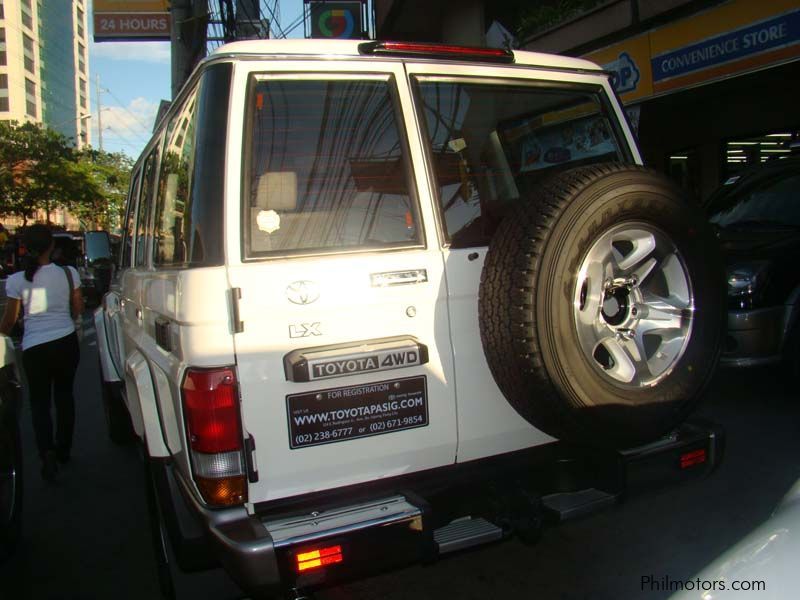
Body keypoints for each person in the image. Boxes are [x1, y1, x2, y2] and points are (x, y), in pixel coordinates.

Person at [0, 225, 84, 481]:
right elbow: (78, 308)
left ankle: (46, 452)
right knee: (64, 396)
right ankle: (64, 449)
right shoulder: (69, 274)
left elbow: (9, 322)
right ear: (51, 247)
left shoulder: (16, 281)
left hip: (34, 348)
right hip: (66, 341)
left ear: (25, 248)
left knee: (39, 403)